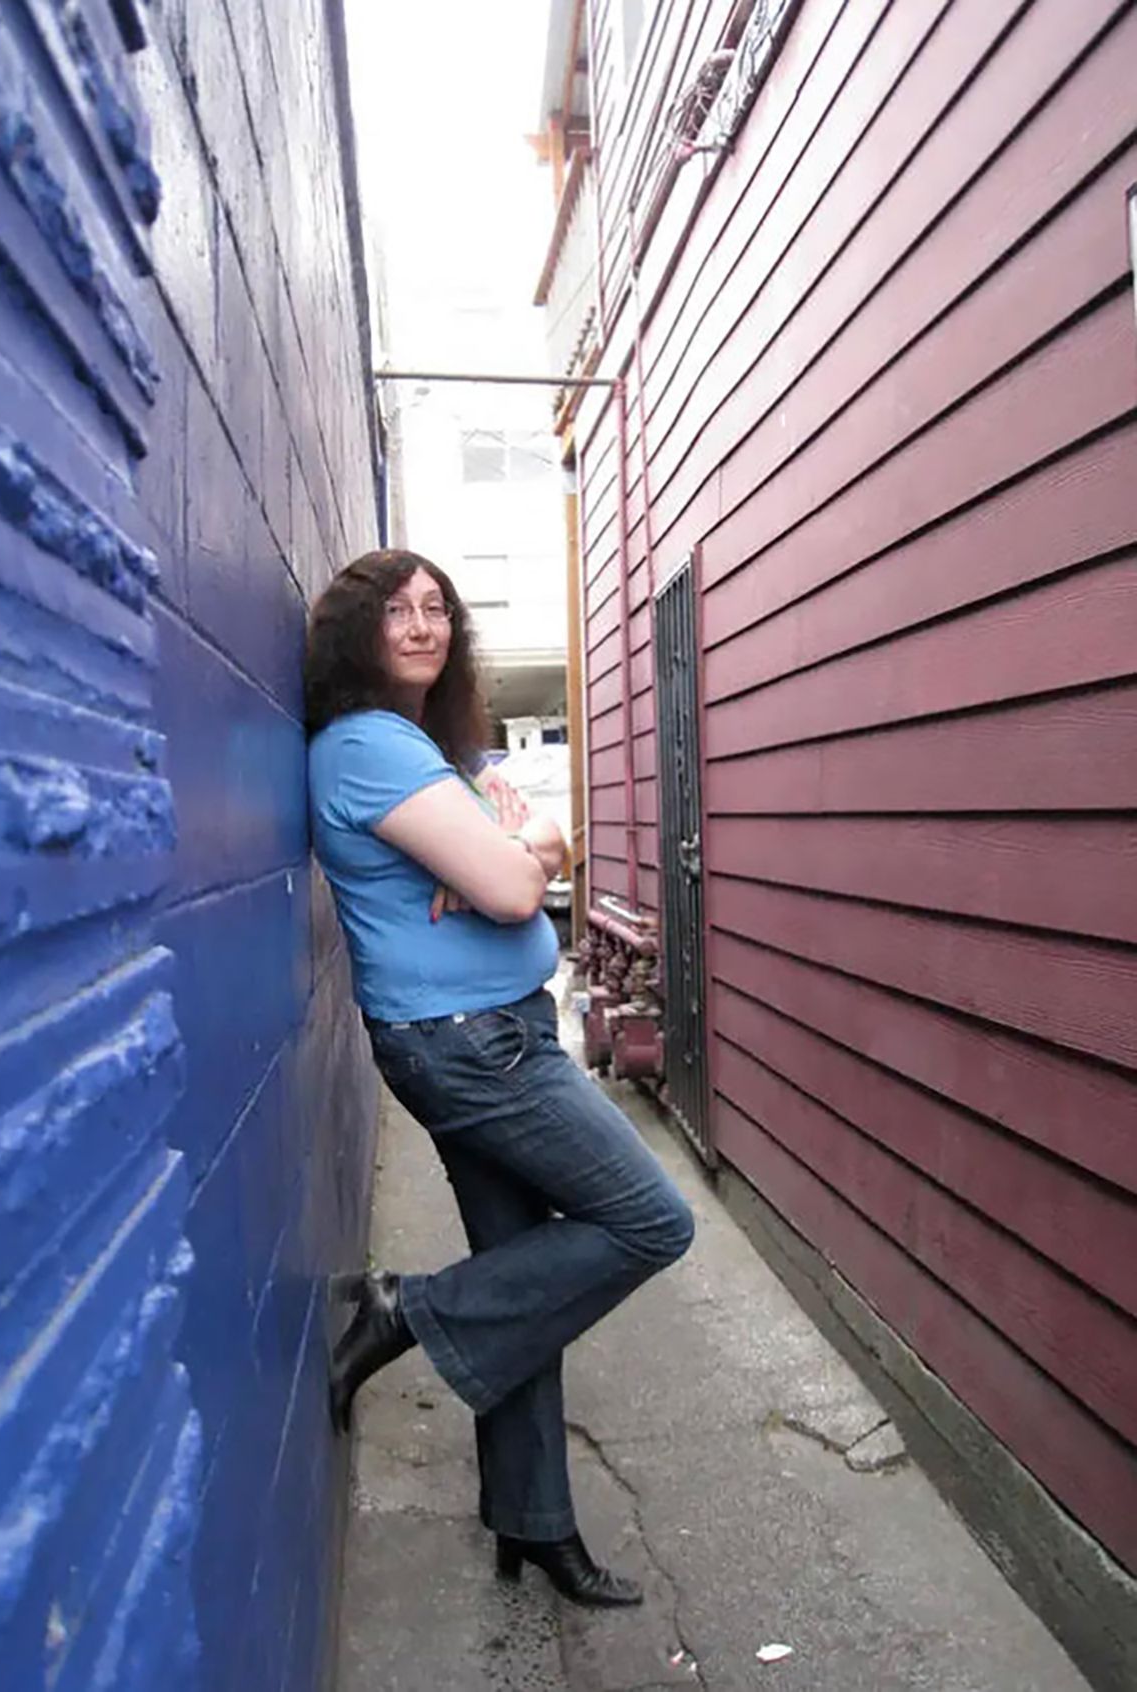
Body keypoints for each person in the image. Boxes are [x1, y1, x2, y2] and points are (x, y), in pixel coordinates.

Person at [305, 549, 694, 1608]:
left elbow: (534, 848)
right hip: (475, 1047)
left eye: (437, 608)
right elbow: (520, 891)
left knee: (527, 1287)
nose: (422, 626)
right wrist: (513, 857)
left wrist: (524, 844)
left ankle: (535, 1523)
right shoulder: (370, 747)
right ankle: (404, 1309)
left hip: (482, 1032)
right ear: (355, 633)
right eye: (396, 611)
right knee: (649, 1221)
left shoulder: (426, 750)